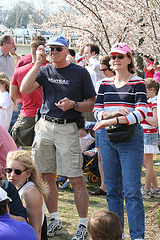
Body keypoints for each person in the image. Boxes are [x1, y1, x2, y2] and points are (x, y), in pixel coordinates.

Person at [20, 36, 96, 240]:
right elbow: (24, 89)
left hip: (68, 127)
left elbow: (91, 103)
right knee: (45, 177)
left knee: (75, 178)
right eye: (50, 49)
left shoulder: (80, 72)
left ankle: (82, 225)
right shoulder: (44, 70)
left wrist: (73, 105)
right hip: (44, 126)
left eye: (57, 49)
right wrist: (37, 62)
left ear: (66, 51)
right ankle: (54, 220)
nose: (53, 52)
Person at [93, 42, 147, 240]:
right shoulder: (104, 85)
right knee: (113, 190)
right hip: (107, 138)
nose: (115, 60)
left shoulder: (138, 83)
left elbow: (141, 113)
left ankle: (137, 236)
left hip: (130, 139)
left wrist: (114, 119)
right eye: (113, 57)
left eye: (120, 56)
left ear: (129, 59)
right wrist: (114, 113)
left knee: (132, 192)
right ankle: (117, 235)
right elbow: (96, 112)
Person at [10, 36, 47, 147]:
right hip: (47, 115)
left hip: (27, 113)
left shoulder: (20, 70)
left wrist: (26, 96)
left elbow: (13, 94)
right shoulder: (51, 69)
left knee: (14, 148)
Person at [6, 150, 49, 240]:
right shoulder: (15, 187)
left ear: (28, 173)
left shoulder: (29, 193)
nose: (12, 175)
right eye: (8, 170)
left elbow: (36, 230)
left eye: (17, 172)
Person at [92, 55, 115, 195]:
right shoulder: (100, 84)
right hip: (101, 122)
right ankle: (103, 185)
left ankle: (119, 185)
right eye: (101, 70)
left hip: (117, 123)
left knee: (116, 155)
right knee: (100, 156)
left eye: (105, 69)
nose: (103, 72)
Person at [141, 78, 160, 198]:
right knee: (147, 164)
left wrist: (142, 116)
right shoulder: (150, 101)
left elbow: (155, 122)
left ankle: (146, 190)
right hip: (145, 133)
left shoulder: (155, 102)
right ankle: (156, 188)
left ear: (151, 89)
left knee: (148, 164)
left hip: (149, 134)